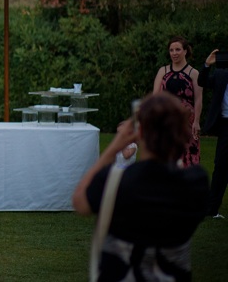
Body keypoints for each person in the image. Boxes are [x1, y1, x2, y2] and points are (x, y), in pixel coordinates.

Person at [72, 92, 209, 281]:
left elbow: (80, 202)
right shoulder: (196, 183)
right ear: (181, 133)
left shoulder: (115, 181)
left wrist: (113, 147)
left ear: (140, 132)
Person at [153, 35, 203, 167]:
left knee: (188, 161)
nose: (174, 53)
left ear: (185, 51)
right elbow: (155, 98)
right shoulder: (163, 71)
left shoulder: (194, 73)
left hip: (187, 125)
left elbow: (198, 99)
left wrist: (197, 122)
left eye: (178, 49)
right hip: (166, 122)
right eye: (171, 50)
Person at [198, 48, 228, 219]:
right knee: (221, 165)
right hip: (225, 125)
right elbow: (202, 81)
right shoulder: (221, 74)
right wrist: (207, 64)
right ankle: (212, 208)